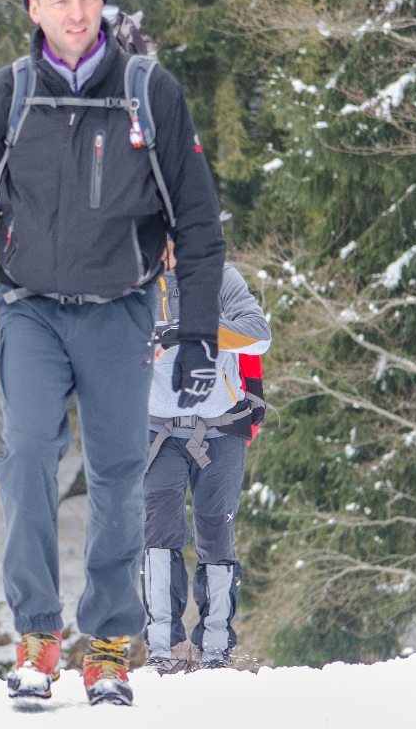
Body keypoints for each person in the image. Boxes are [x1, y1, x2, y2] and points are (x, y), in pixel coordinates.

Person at [0, 0, 226, 706]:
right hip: (29, 308)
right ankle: (36, 636)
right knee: (28, 455)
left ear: (103, 5)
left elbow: (197, 222)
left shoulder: (147, 92)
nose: (75, 12)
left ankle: (106, 647)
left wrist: (199, 332)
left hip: (121, 311)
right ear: (33, 8)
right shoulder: (5, 96)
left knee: (121, 473)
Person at [143, 240, 270, 673]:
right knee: (159, 535)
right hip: (157, 430)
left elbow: (258, 335)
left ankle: (215, 649)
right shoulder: (132, 281)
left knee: (216, 534)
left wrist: (193, 330)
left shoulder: (221, 277)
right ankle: (164, 648)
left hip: (221, 428)